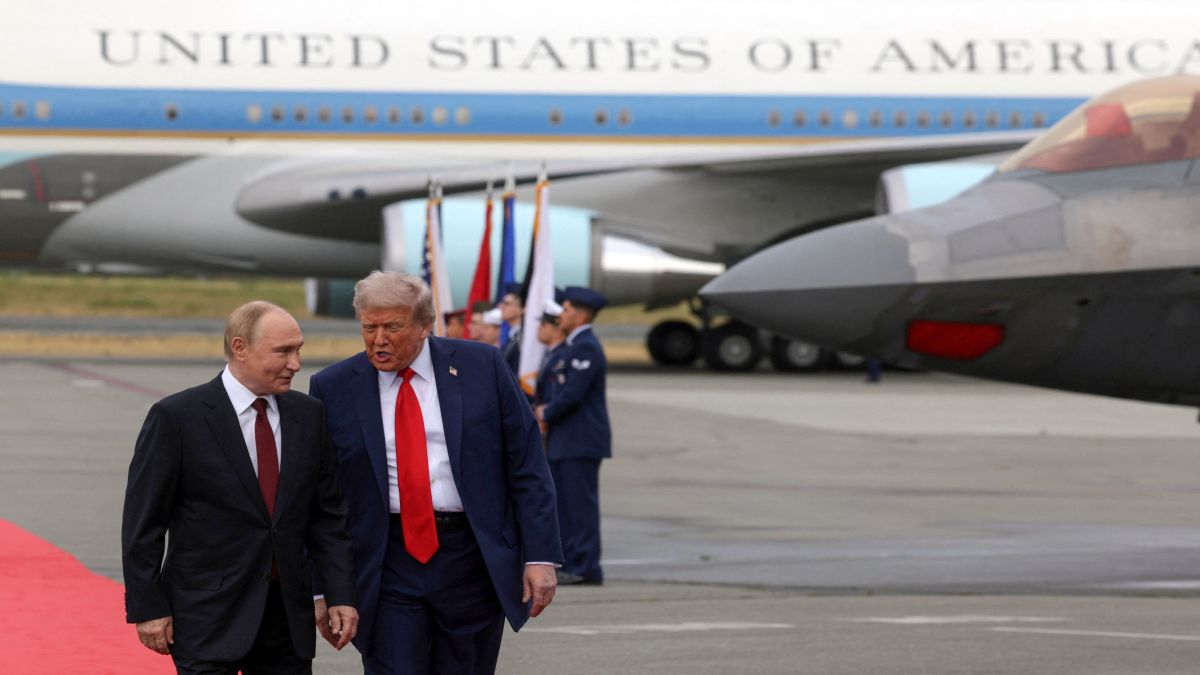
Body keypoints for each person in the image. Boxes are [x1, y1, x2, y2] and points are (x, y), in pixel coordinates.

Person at [308, 272, 562, 675]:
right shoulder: (333, 387)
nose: (378, 339)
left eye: (392, 327)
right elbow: (320, 498)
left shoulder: (482, 367)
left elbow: (527, 466)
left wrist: (541, 556)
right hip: (385, 560)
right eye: (369, 327)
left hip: (469, 557)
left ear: (425, 325)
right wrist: (323, 588)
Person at [121, 301, 358, 674]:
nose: (295, 363)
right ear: (240, 348)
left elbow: (327, 518)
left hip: (286, 620)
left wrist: (340, 594)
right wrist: (148, 607)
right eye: (283, 351)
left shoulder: (309, 415)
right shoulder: (178, 418)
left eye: (298, 350)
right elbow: (144, 524)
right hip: (206, 616)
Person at [534, 286, 611, 586]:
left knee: (580, 507)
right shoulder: (571, 346)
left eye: (565, 310)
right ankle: (573, 561)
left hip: (581, 439)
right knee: (566, 505)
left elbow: (573, 394)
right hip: (566, 439)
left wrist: (545, 414)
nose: (561, 315)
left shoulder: (586, 346)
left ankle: (586, 566)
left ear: (579, 315)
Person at [533, 299, 566, 421]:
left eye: (543, 324)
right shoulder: (549, 353)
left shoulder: (563, 355)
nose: (538, 329)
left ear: (557, 329)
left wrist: (545, 414)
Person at [497, 282, 524, 374]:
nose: (500, 306)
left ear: (520, 309)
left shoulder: (522, 339)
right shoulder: (513, 337)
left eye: (507, 304)